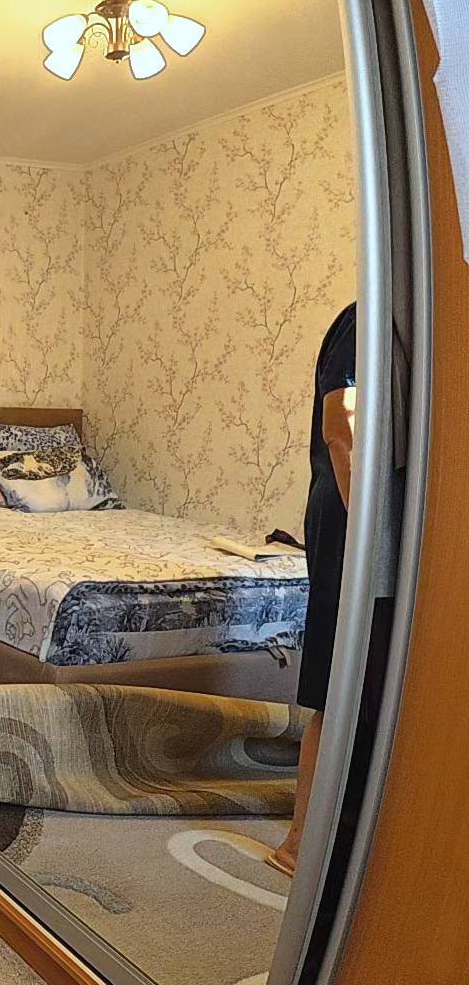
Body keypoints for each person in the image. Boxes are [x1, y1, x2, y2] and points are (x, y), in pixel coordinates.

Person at [269, 302, 356, 876]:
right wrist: (369, 523)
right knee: (335, 682)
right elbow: (341, 431)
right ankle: (300, 842)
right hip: (348, 517)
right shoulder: (367, 316)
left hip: (372, 519)